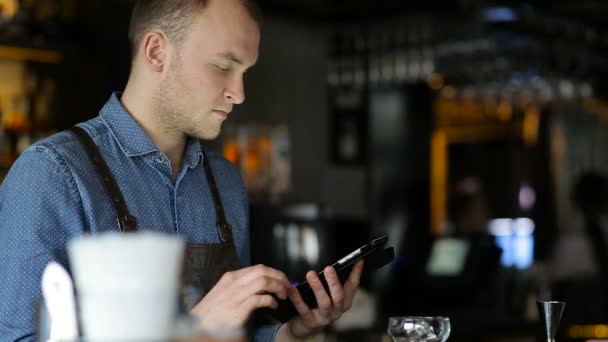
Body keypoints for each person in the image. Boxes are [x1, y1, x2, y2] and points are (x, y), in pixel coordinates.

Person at [0, 0, 364, 341]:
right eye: (223, 67)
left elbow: (239, 333)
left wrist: (292, 330)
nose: (238, 94)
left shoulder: (225, 182)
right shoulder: (52, 174)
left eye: (245, 72)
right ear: (157, 52)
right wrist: (193, 328)